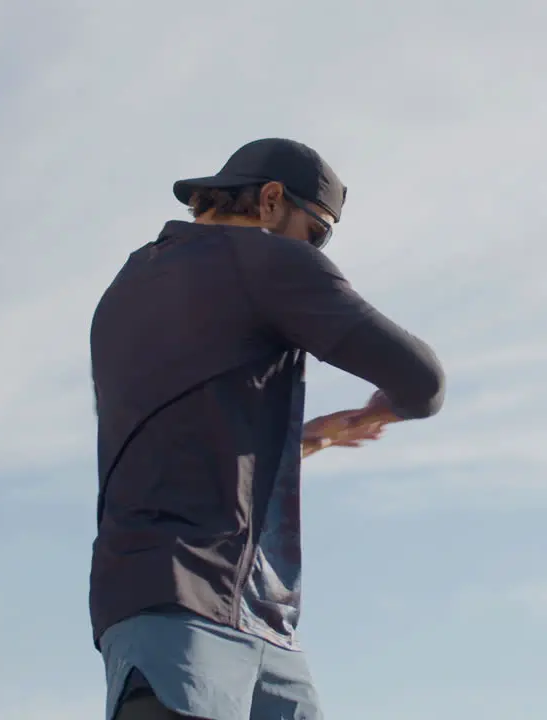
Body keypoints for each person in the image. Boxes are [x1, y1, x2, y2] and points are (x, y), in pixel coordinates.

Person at [89, 138, 446, 720]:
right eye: (320, 231)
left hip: (169, 601)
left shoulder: (126, 286)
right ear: (272, 201)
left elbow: (188, 429)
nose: (319, 248)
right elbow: (422, 382)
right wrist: (379, 410)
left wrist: (315, 436)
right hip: (200, 615)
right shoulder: (263, 260)